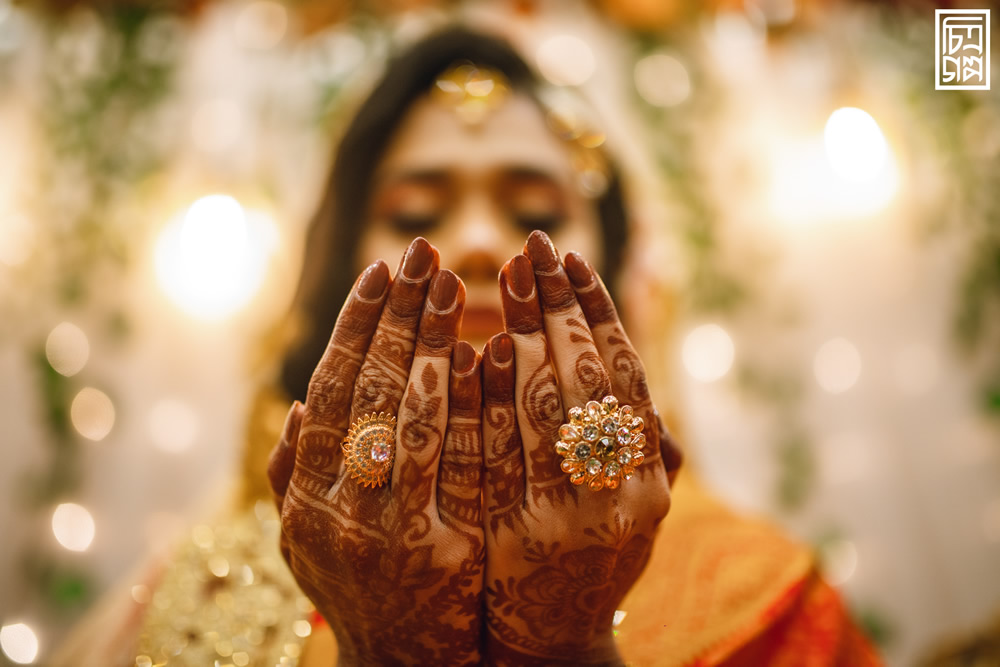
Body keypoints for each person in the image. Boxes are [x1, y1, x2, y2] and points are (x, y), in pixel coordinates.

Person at [54, 26, 881, 667]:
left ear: (621, 279)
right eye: (415, 215)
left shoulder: (765, 595)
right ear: (342, 269)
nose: (482, 243)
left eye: (539, 213)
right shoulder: (205, 594)